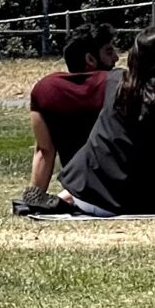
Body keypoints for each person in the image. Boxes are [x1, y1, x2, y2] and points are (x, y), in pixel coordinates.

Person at [59, 29, 155, 216]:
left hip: (87, 195)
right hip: (139, 204)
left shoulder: (116, 82)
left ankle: (63, 197)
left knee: (101, 139)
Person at [16, 20, 117, 213]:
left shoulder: (46, 89)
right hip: (120, 187)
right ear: (90, 59)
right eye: (109, 52)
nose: (116, 58)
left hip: (79, 188)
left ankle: (63, 197)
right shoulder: (117, 83)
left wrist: (34, 198)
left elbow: (44, 150)